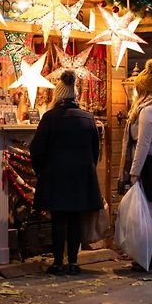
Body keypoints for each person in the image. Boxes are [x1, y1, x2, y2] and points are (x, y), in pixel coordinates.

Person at [30, 70, 103, 275]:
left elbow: (37, 148)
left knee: (58, 220)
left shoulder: (50, 118)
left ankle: (57, 262)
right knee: (75, 220)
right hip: (81, 176)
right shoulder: (88, 118)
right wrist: (88, 168)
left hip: (56, 175)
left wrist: (41, 171)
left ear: (58, 94)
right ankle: (73, 262)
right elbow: (95, 150)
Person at [119, 57, 152, 273]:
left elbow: (143, 144)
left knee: (147, 214)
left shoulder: (149, 111)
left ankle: (149, 255)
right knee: (151, 213)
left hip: (150, 167)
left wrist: (134, 172)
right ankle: (148, 254)